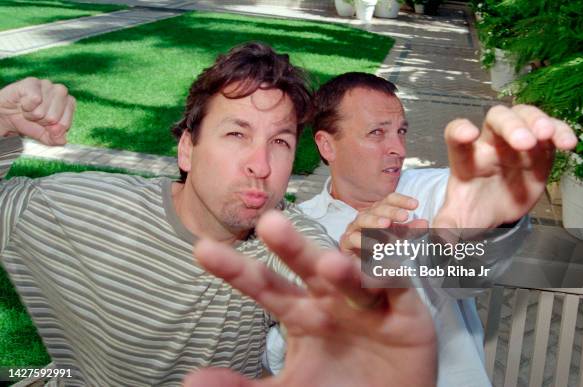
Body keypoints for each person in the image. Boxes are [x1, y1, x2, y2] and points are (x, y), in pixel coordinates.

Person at [0, 45, 437, 386]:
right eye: (235, 133)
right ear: (187, 148)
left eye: (280, 142)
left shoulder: (287, 238)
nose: (260, 165)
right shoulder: (84, 211)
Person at [265, 72, 577, 385]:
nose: (398, 148)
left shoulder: (434, 193)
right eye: (377, 133)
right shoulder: (296, 231)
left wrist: (497, 221)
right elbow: (274, 358)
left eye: (401, 131)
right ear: (327, 145)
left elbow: (462, 274)